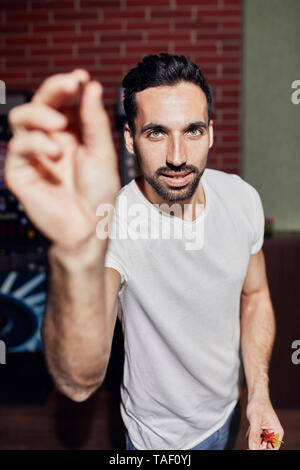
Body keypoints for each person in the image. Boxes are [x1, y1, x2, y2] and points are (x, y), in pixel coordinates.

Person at [5, 53, 284, 450]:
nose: (177, 156)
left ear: (210, 133)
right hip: (158, 441)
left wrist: (259, 394)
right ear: (129, 139)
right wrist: (79, 251)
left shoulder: (242, 198)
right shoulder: (113, 223)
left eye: (192, 131)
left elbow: (254, 296)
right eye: (155, 132)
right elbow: (78, 382)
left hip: (231, 413)